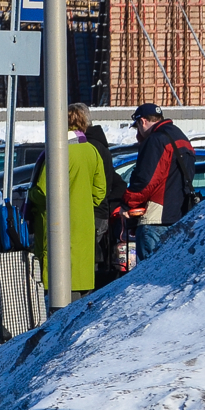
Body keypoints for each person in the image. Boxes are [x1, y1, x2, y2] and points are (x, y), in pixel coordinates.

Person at [26, 106, 106, 301]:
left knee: (58, 280)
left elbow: (43, 192)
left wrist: (30, 196)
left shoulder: (58, 151)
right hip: (84, 225)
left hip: (55, 226)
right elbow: (100, 191)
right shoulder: (92, 151)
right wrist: (82, 204)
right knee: (80, 278)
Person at [122, 103, 195, 260]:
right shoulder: (181, 137)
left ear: (142, 121)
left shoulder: (156, 140)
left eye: (137, 127)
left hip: (156, 217)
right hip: (179, 214)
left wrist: (128, 204)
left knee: (148, 276)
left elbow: (145, 180)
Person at [76, 104, 127, 286]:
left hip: (92, 211)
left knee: (85, 260)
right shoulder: (98, 146)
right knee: (92, 258)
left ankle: (84, 296)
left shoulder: (88, 147)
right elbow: (113, 181)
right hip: (99, 210)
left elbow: (99, 186)